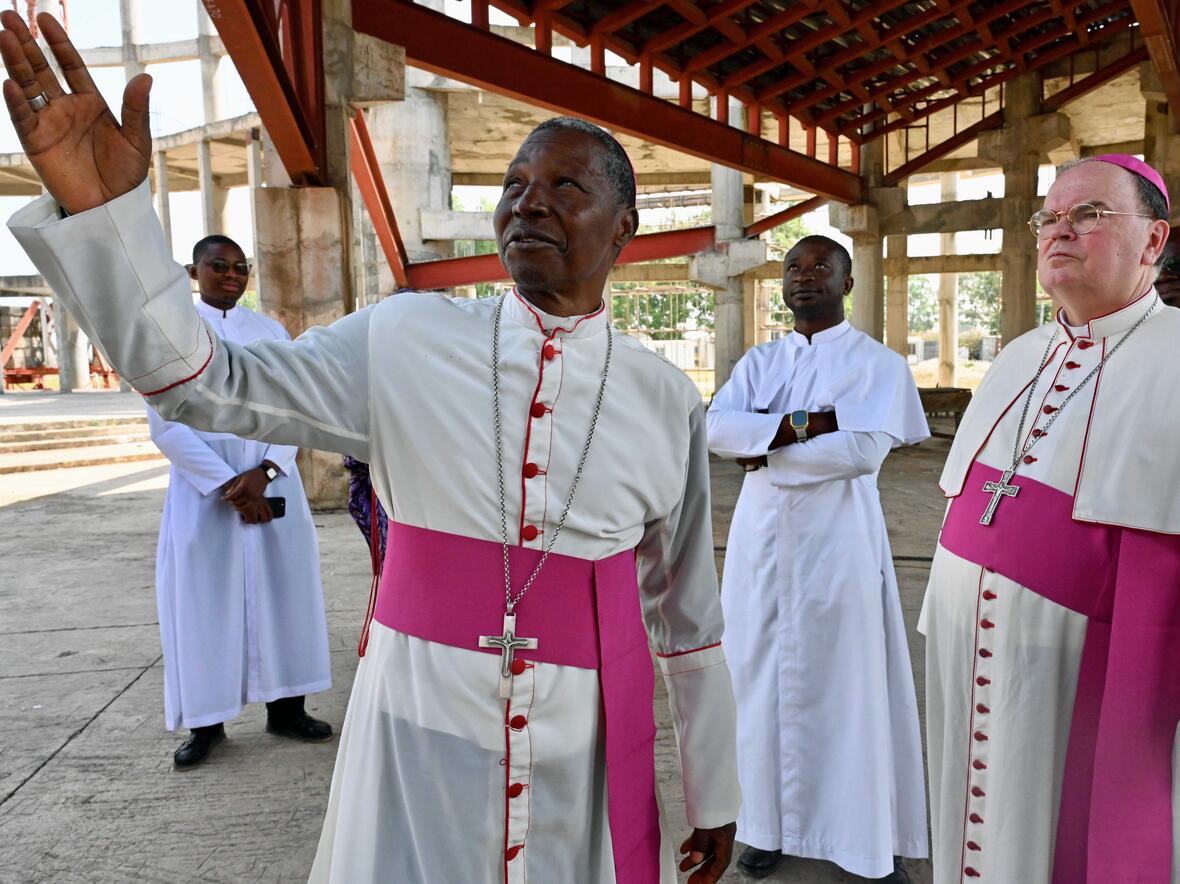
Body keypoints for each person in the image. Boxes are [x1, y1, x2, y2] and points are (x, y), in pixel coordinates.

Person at [0, 12, 740, 883]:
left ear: (624, 229)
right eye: (514, 183)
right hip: (415, 727)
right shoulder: (404, 337)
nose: (528, 201)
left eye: (565, 186)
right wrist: (108, 217)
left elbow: (687, 617)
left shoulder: (664, 400)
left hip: (585, 740)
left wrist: (715, 790)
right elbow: (200, 381)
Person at [918, 153, 1180, 882]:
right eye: (1050, 218)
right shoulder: (1017, 357)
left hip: (1083, 691)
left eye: (1089, 214)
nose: (1061, 231)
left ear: (1154, 240)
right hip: (968, 669)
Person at [706, 236, 929, 882]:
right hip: (759, 545)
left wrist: (764, 447)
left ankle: (867, 841)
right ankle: (764, 827)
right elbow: (716, 429)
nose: (804, 276)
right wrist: (808, 424)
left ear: (847, 283)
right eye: (793, 268)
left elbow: (861, 452)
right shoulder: (759, 361)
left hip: (839, 544)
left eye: (820, 267)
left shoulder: (877, 364)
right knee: (755, 681)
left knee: (848, 683)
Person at [146, 235, 334, 768]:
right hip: (205, 494)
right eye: (219, 266)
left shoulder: (269, 332)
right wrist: (231, 485)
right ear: (194, 272)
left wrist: (265, 472)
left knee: (285, 595)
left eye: (240, 267)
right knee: (204, 605)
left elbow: (295, 407)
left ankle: (288, 708)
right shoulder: (170, 335)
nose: (232, 275)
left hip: (272, 485)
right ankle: (206, 724)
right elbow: (165, 426)